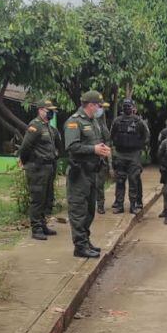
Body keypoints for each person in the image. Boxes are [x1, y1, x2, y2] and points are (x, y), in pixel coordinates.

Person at [63, 90, 111, 258]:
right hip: (79, 173)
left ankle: (86, 241)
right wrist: (94, 149)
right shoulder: (74, 122)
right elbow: (72, 147)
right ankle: (80, 247)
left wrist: (102, 149)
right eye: (99, 106)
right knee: (78, 210)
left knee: (90, 210)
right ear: (91, 105)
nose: (101, 109)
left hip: (92, 173)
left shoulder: (94, 122)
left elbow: (97, 143)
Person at [19, 99, 65, 241]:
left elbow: (58, 147)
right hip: (37, 168)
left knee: (47, 198)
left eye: (52, 110)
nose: (51, 112)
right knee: (37, 198)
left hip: (49, 167)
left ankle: (43, 224)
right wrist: (28, 163)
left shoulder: (50, 128)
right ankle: (36, 228)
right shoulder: (35, 126)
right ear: (40, 110)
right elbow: (25, 148)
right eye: (48, 110)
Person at [109, 98, 149, 215]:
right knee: (120, 181)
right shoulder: (117, 121)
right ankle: (119, 205)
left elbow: (146, 137)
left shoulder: (139, 122)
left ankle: (133, 205)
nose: (127, 108)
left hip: (134, 155)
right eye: (125, 106)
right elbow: (112, 136)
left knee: (133, 180)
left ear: (133, 108)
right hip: (120, 154)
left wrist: (139, 147)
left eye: (129, 106)